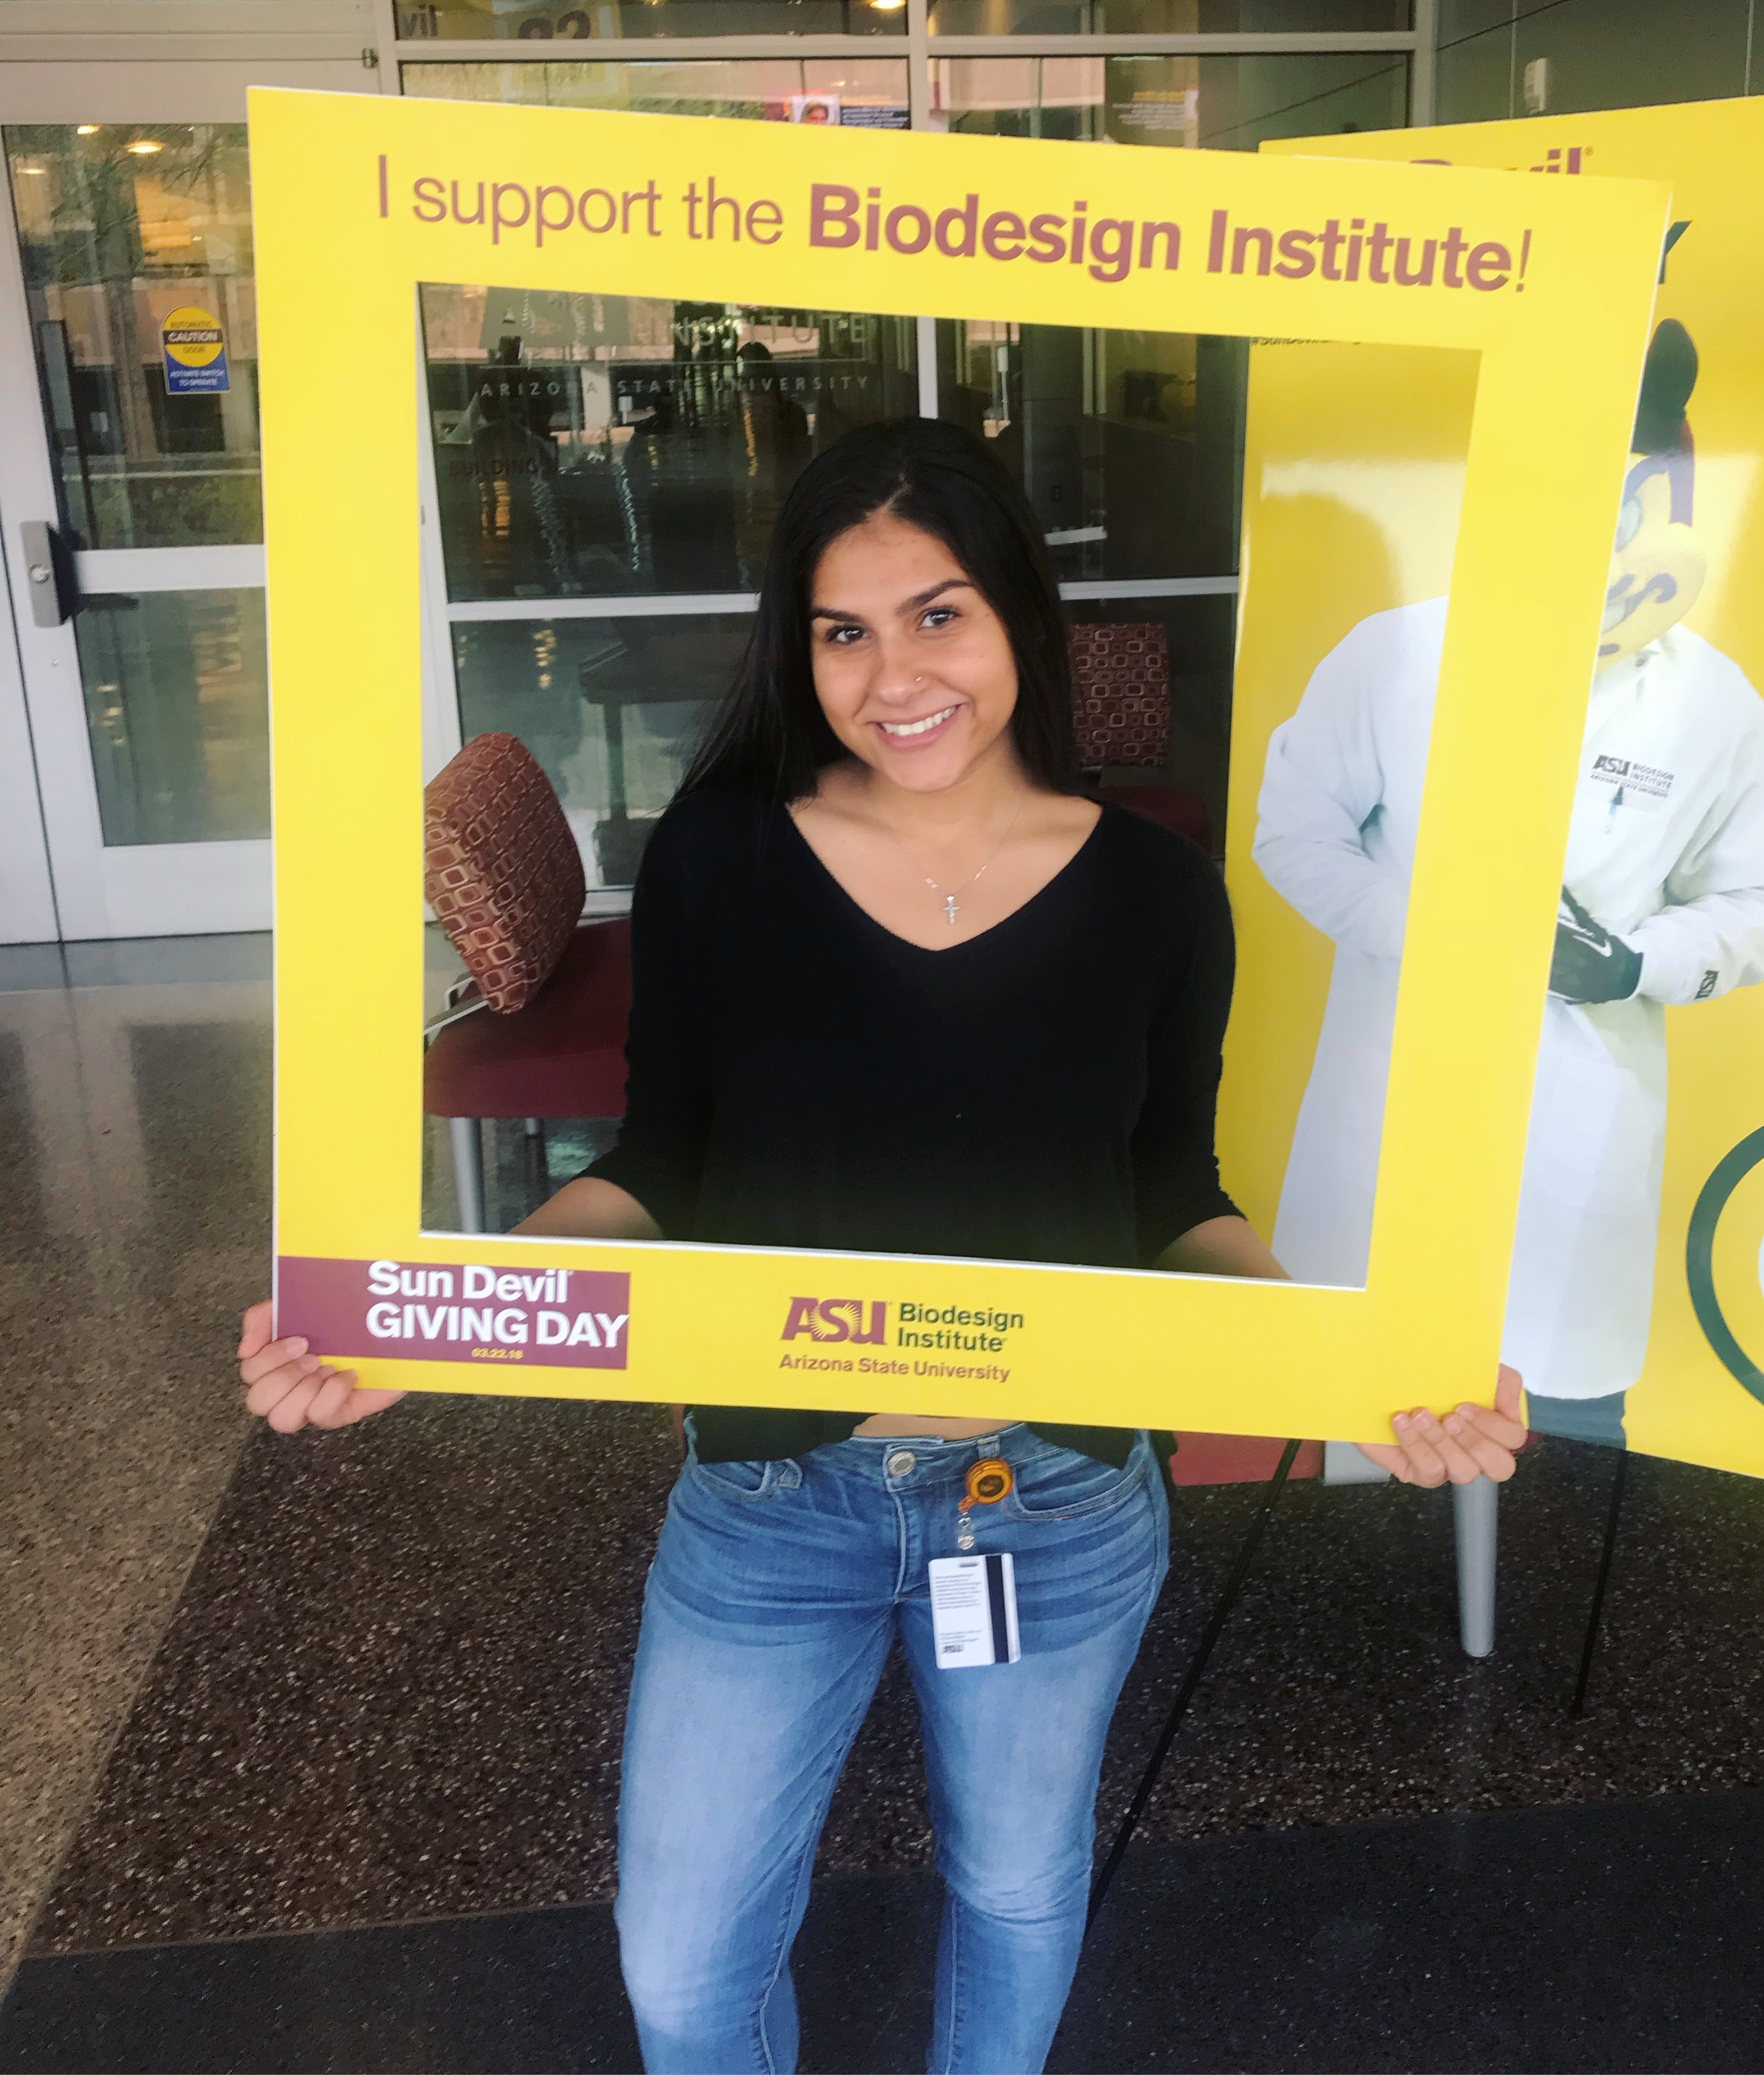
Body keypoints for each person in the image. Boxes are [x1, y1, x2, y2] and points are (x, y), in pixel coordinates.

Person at [237, 418, 1525, 2074]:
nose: (890, 673)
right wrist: (426, 1319)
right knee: (685, 1963)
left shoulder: (1154, 891)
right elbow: (658, 1165)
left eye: (939, 615)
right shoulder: (719, 855)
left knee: (1012, 1890)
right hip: (775, 1496)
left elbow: (1173, 1193)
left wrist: (1362, 1377)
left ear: (1021, 623)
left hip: (1051, 1501)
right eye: (842, 630)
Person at [1252, 323, 1764, 1449]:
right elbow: (1293, 833)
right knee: (1372, 1415)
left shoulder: (1715, 702)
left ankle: (1564, 1615)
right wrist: (1437, 933)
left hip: (1580, 1111)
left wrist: (1639, 963)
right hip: (1391, 1097)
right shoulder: (1396, 654)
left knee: (1571, 1423)